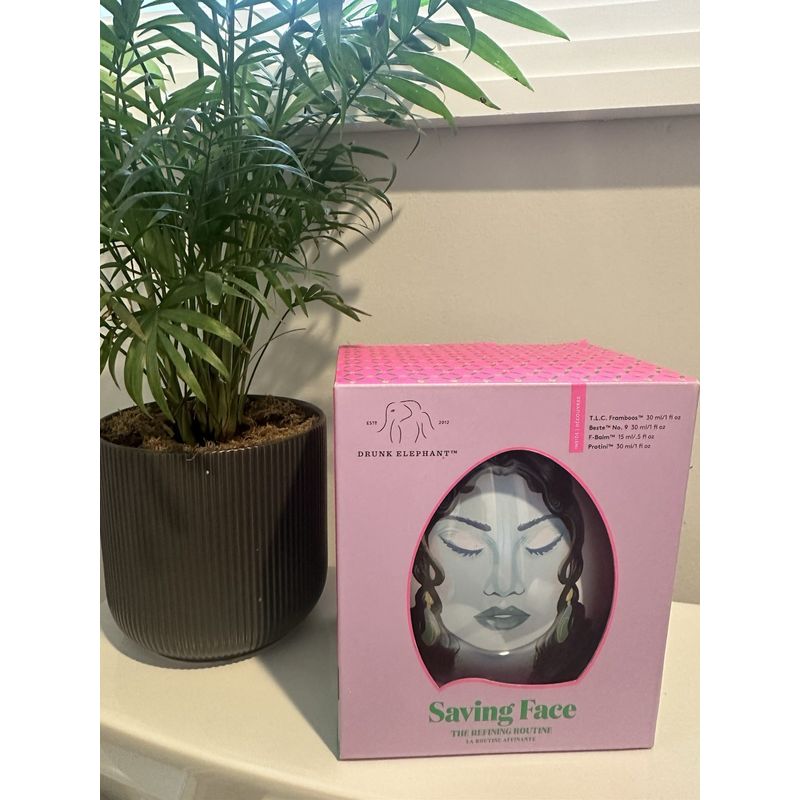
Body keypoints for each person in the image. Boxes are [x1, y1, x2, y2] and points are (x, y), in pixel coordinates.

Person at [410, 450, 607, 686]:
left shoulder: (590, 651)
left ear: (573, 556)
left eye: (540, 545)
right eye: (466, 546)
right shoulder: (394, 652)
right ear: (423, 556)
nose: (504, 587)